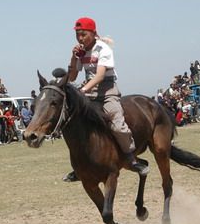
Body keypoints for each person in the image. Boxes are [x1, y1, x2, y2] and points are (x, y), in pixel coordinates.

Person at [64, 17, 149, 182]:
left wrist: (83, 90)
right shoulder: (81, 51)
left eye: (83, 34)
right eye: (77, 35)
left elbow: (100, 75)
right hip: (88, 92)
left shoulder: (103, 49)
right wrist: (74, 58)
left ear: (93, 33)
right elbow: (72, 76)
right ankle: (79, 166)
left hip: (107, 91)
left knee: (117, 124)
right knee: (74, 123)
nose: (80, 38)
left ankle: (131, 158)